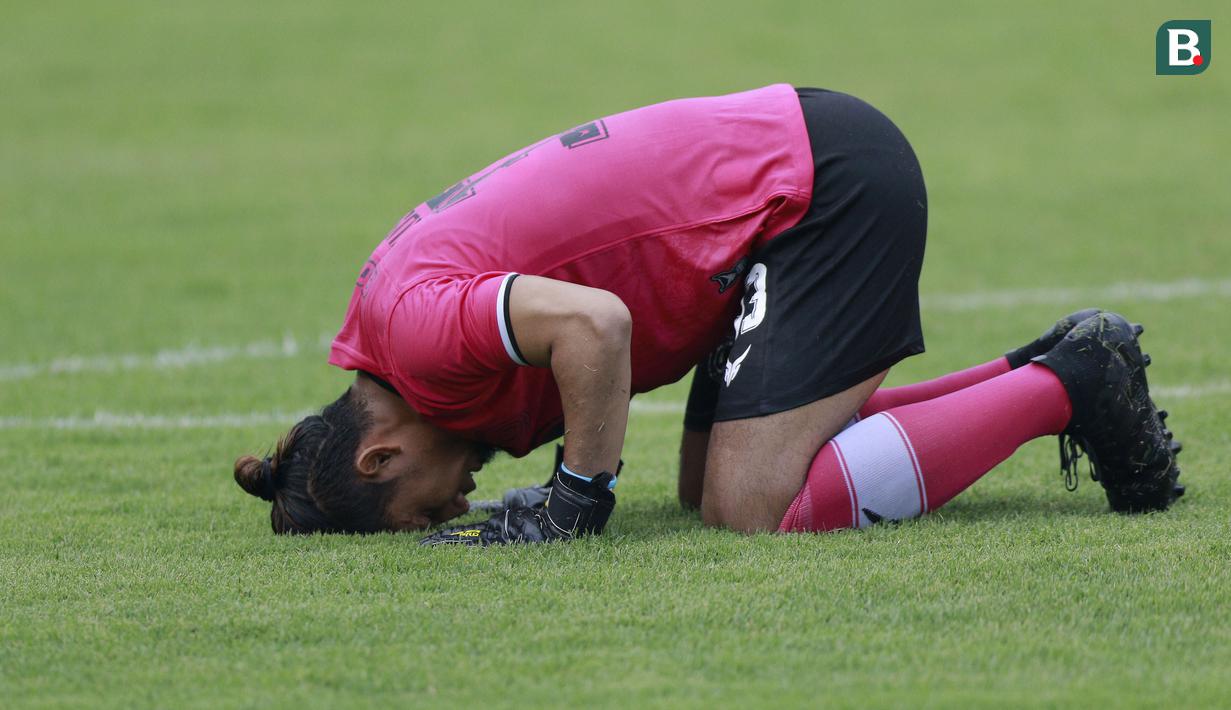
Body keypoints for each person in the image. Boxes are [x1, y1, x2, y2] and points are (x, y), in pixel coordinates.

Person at [232, 84, 1184, 541]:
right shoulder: (389, 326)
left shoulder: (415, 336)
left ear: (380, 457)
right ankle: (1041, 368)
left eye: (425, 509)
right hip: (783, 186)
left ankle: (1072, 384)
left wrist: (574, 503)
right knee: (706, 490)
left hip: (817, 190)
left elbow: (594, 327)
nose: (459, 506)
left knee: (753, 504)